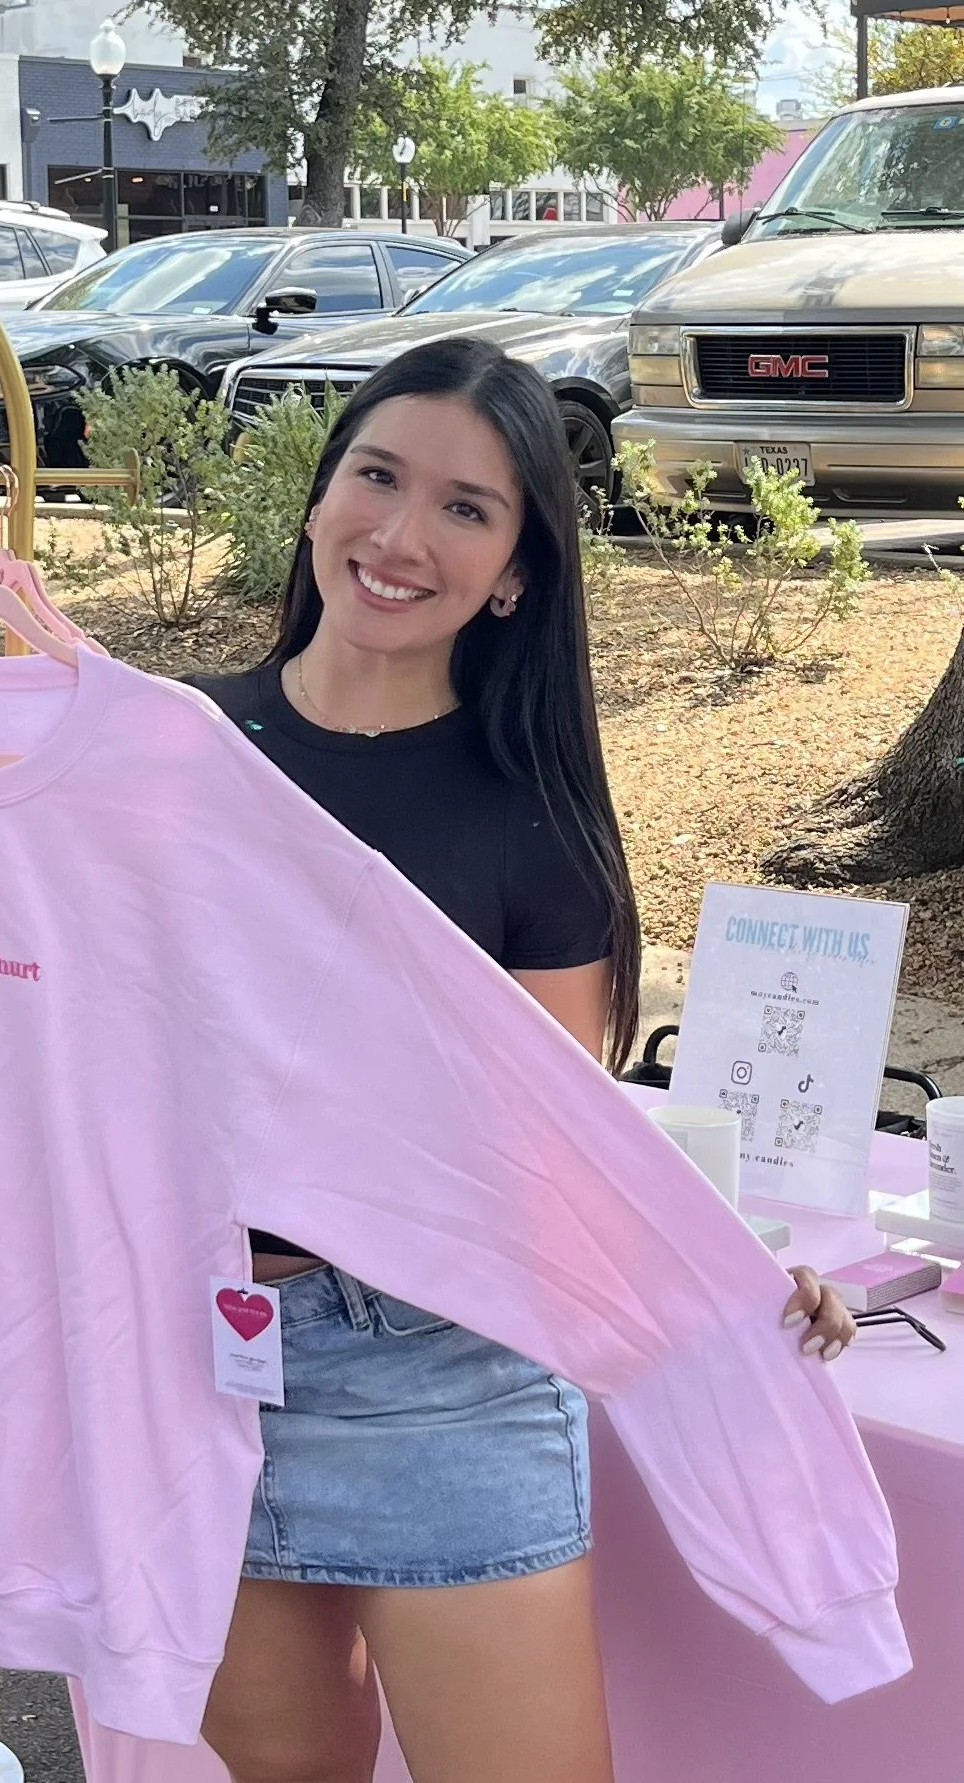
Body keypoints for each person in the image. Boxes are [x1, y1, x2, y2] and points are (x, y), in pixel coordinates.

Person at [186, 339, 857, 1783]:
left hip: (440, 1363)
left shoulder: (528, 823)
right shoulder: (169, 755)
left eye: (465, 509)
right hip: (189, 1365)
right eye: (376, 475)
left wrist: (720, 1266)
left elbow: (553, 1152)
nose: (400, 534)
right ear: (317, 498)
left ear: (512, 574)